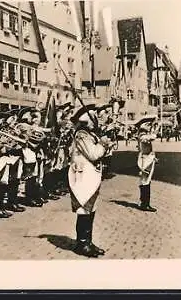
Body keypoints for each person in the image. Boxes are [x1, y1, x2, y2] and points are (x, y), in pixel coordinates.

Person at [68, 104, 110, 258]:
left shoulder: (90, 134)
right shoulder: (82, 135)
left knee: (91, 208)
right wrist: (103, 144)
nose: (98, 119)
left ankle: (88, 242)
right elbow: (93, 154)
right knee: (84, 209)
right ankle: (82, 243)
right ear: (88, 120)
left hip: (90, 174)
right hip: (82, 175)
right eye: (95, 117)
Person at [135, 116, 158, 212]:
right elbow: (152, 137)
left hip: (147, 159)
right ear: (143, 126)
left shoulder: (143, 134)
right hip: (145, 161)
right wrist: (156, 130)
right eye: (148, 124)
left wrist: (153, 157)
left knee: (145, 181)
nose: (149, 126)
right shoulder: (142, 135)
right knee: (146, 182)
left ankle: (143, 202)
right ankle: (145, 204)